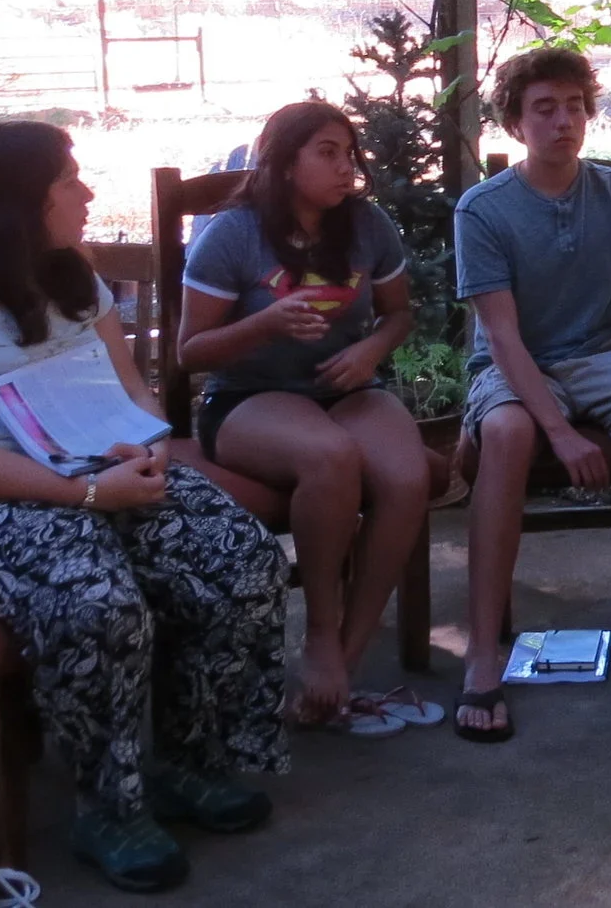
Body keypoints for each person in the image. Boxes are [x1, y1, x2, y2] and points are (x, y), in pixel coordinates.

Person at [0, 121, 289, 893]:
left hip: (97, 471)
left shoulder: (72, 276)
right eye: (71, 179)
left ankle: (187, 763)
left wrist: (148, 445)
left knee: (243, 557)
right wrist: (85, 494)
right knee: (97, 605)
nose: (88, 192)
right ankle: (110, 806)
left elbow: (129, 390)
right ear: (20, 200)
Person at [452, 46, 611, 740]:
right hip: (520, 361)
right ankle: (482, 655)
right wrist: (559, 433)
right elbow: (501, 338)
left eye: (574, 107)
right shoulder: (483, 209)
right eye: (544, 109)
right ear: (514, 122)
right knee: (507, 434)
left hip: (604, 354)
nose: (563, 122)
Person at [175, 100, 438, 737]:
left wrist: (370, 348)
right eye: (328, 152)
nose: (346, 167)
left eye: (349, 153)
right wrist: (264, 322)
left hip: (347, 389)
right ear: (285, 162)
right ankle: (322, 634)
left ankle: (342, 666)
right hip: (249, 399)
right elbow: (188, 353)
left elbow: (399, 315)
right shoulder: (232, 233)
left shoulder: (367, 225)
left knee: (408, 480)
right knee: (330, 458)